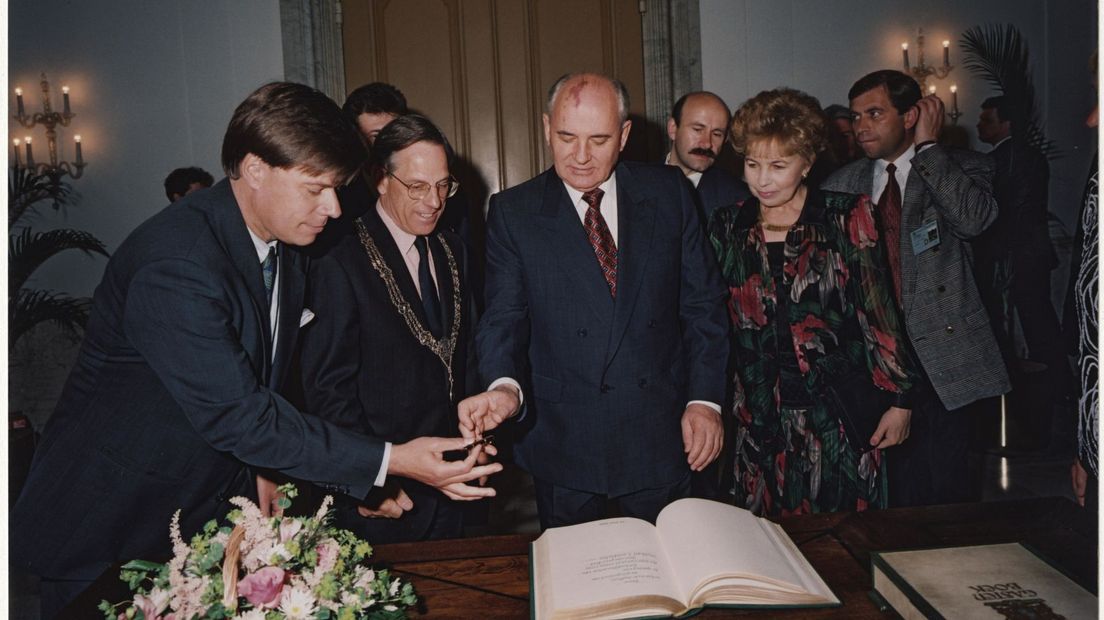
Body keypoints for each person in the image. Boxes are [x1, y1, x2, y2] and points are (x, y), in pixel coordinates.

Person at [9, 82, 499, 617]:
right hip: (108, 522)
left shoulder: (282, 241)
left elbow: (261, 380)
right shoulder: (177, 263)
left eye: (337, 188)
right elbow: (240, 415)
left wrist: (264, 472)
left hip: (200, 511)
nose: (334, 208)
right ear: (256, 168)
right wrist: (392, 459)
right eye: (316, 189)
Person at [463, 72, 729, 529]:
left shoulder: (669, 194)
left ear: (624, 135)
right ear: (547, 128)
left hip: (660, 433)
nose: (581, 157)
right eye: (566, 137)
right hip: (565, 441)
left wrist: (705, 401)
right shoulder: (514, 212)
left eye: (599, 139)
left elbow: (702, 307)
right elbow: (504, 315)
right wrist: (504, 386)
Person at [708, 88, 914, 516]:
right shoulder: (728, 225)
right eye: (752, 164)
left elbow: (878, 311)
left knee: (843, 544)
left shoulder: (846, 216)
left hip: (837, 414)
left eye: (778, 165)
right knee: (764, 549)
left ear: (807, 163)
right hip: (759, 420)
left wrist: (899, 400)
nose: (762, 179)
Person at [823, 70, 1010, 507]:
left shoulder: (963, 168)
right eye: (856, 116)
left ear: (911, 116)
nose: (861, 126)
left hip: (948, 361)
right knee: (892, 494)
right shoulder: (839, 185)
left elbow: (974, 221)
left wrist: (928, 148)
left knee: (950, 494)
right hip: (879, 363)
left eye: (874, 113)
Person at [298, 114, 485, 542]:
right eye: (417, 186)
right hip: (388, 498)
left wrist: (480, 430)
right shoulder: (338, 257)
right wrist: (363, 480)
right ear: (379, 178)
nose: (434, 201)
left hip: (459, 483)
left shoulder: (452, 246)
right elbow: (328, 389)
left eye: (443, 185)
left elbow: (467, 351)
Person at [973, 95, 1068, 402]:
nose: (979, 125)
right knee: (1039, 324)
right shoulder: (1028, 156)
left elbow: (1003, 214)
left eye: (987, 120)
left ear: (1006, 124)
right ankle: (1058, 391)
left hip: (1014, 257)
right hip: (1030, 254)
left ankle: (1041, 396)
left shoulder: (1004, 160)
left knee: (1028, 326)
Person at [665, 91, 750, 220]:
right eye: (698, 130)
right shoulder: (637, 183)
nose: (706, 144)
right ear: (673, 129)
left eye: (717, 134)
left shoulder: (739, 199)